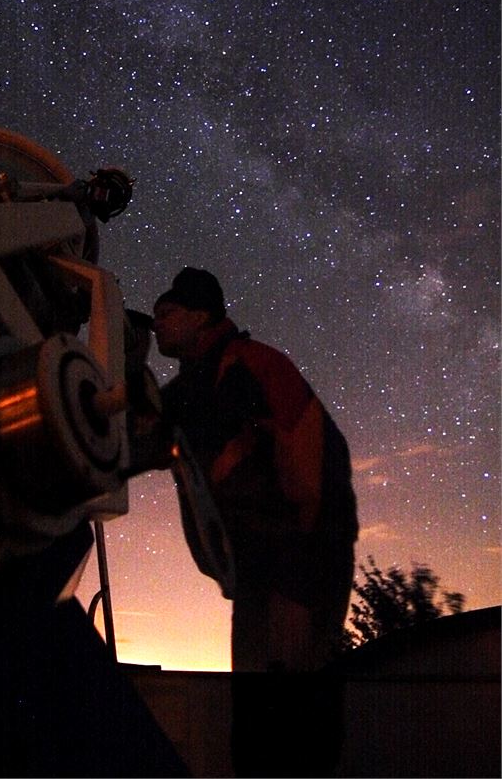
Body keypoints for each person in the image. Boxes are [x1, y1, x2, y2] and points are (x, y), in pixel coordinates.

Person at [144, 267, 359, 777]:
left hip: (298, 556)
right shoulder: (193, 388)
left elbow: (304, 468)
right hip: (260, 565)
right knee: (259, 707)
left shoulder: (254, 366)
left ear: (200, 317)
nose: (156, 327)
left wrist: (298, 574)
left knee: (293, 704)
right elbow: (144, 432)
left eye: (165, 314)